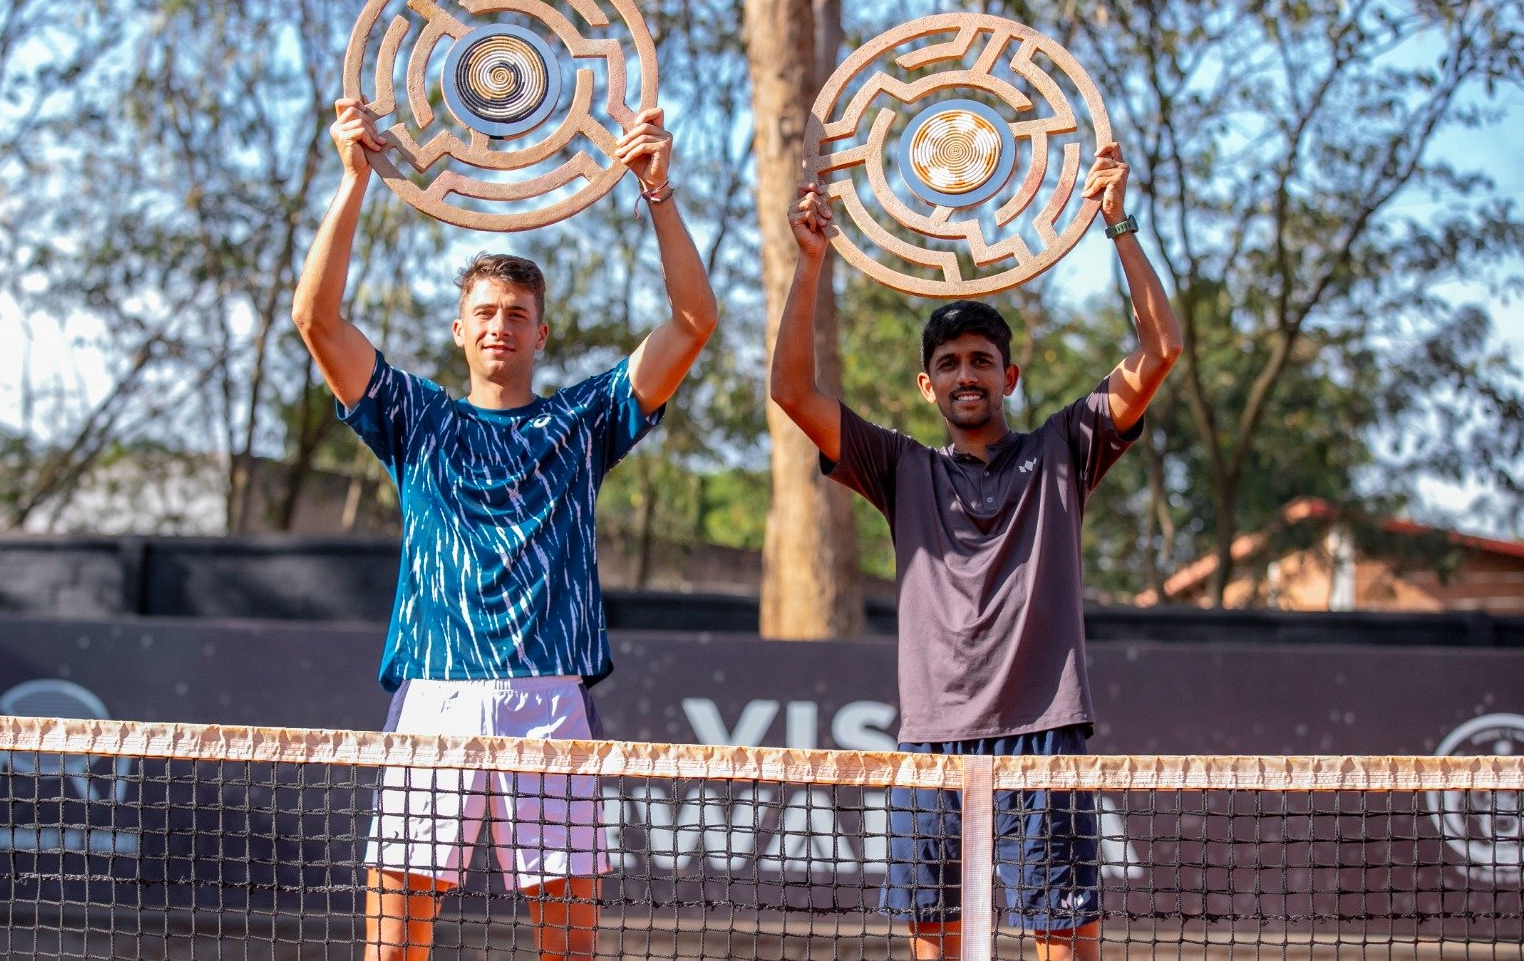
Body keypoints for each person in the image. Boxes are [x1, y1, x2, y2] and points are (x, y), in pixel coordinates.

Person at [293, 98, 717, 961]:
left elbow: (691, 323)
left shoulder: (583, 422)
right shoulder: (413, 415)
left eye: (516, 314)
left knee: (567, 951)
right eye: (485, 312)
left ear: (540, 332)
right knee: (393, 948)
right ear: (460, 331)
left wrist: (658, 192)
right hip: (434, 693)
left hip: (548, 698)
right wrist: (353, 180)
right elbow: (317, 321)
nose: (500, 325)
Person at [770, 144, 1181, 961]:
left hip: (1046, 733)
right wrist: (810, 263)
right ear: (928, 385)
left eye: (982, 362)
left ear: (1010, 376)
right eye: (950, 363)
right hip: (934, 742)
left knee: (1063, 943)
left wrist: (1119, 226)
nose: (967, 374)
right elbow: (791, 391)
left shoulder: (1067, 448)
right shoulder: (900, 467)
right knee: (937, 942)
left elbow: (1160, 349)